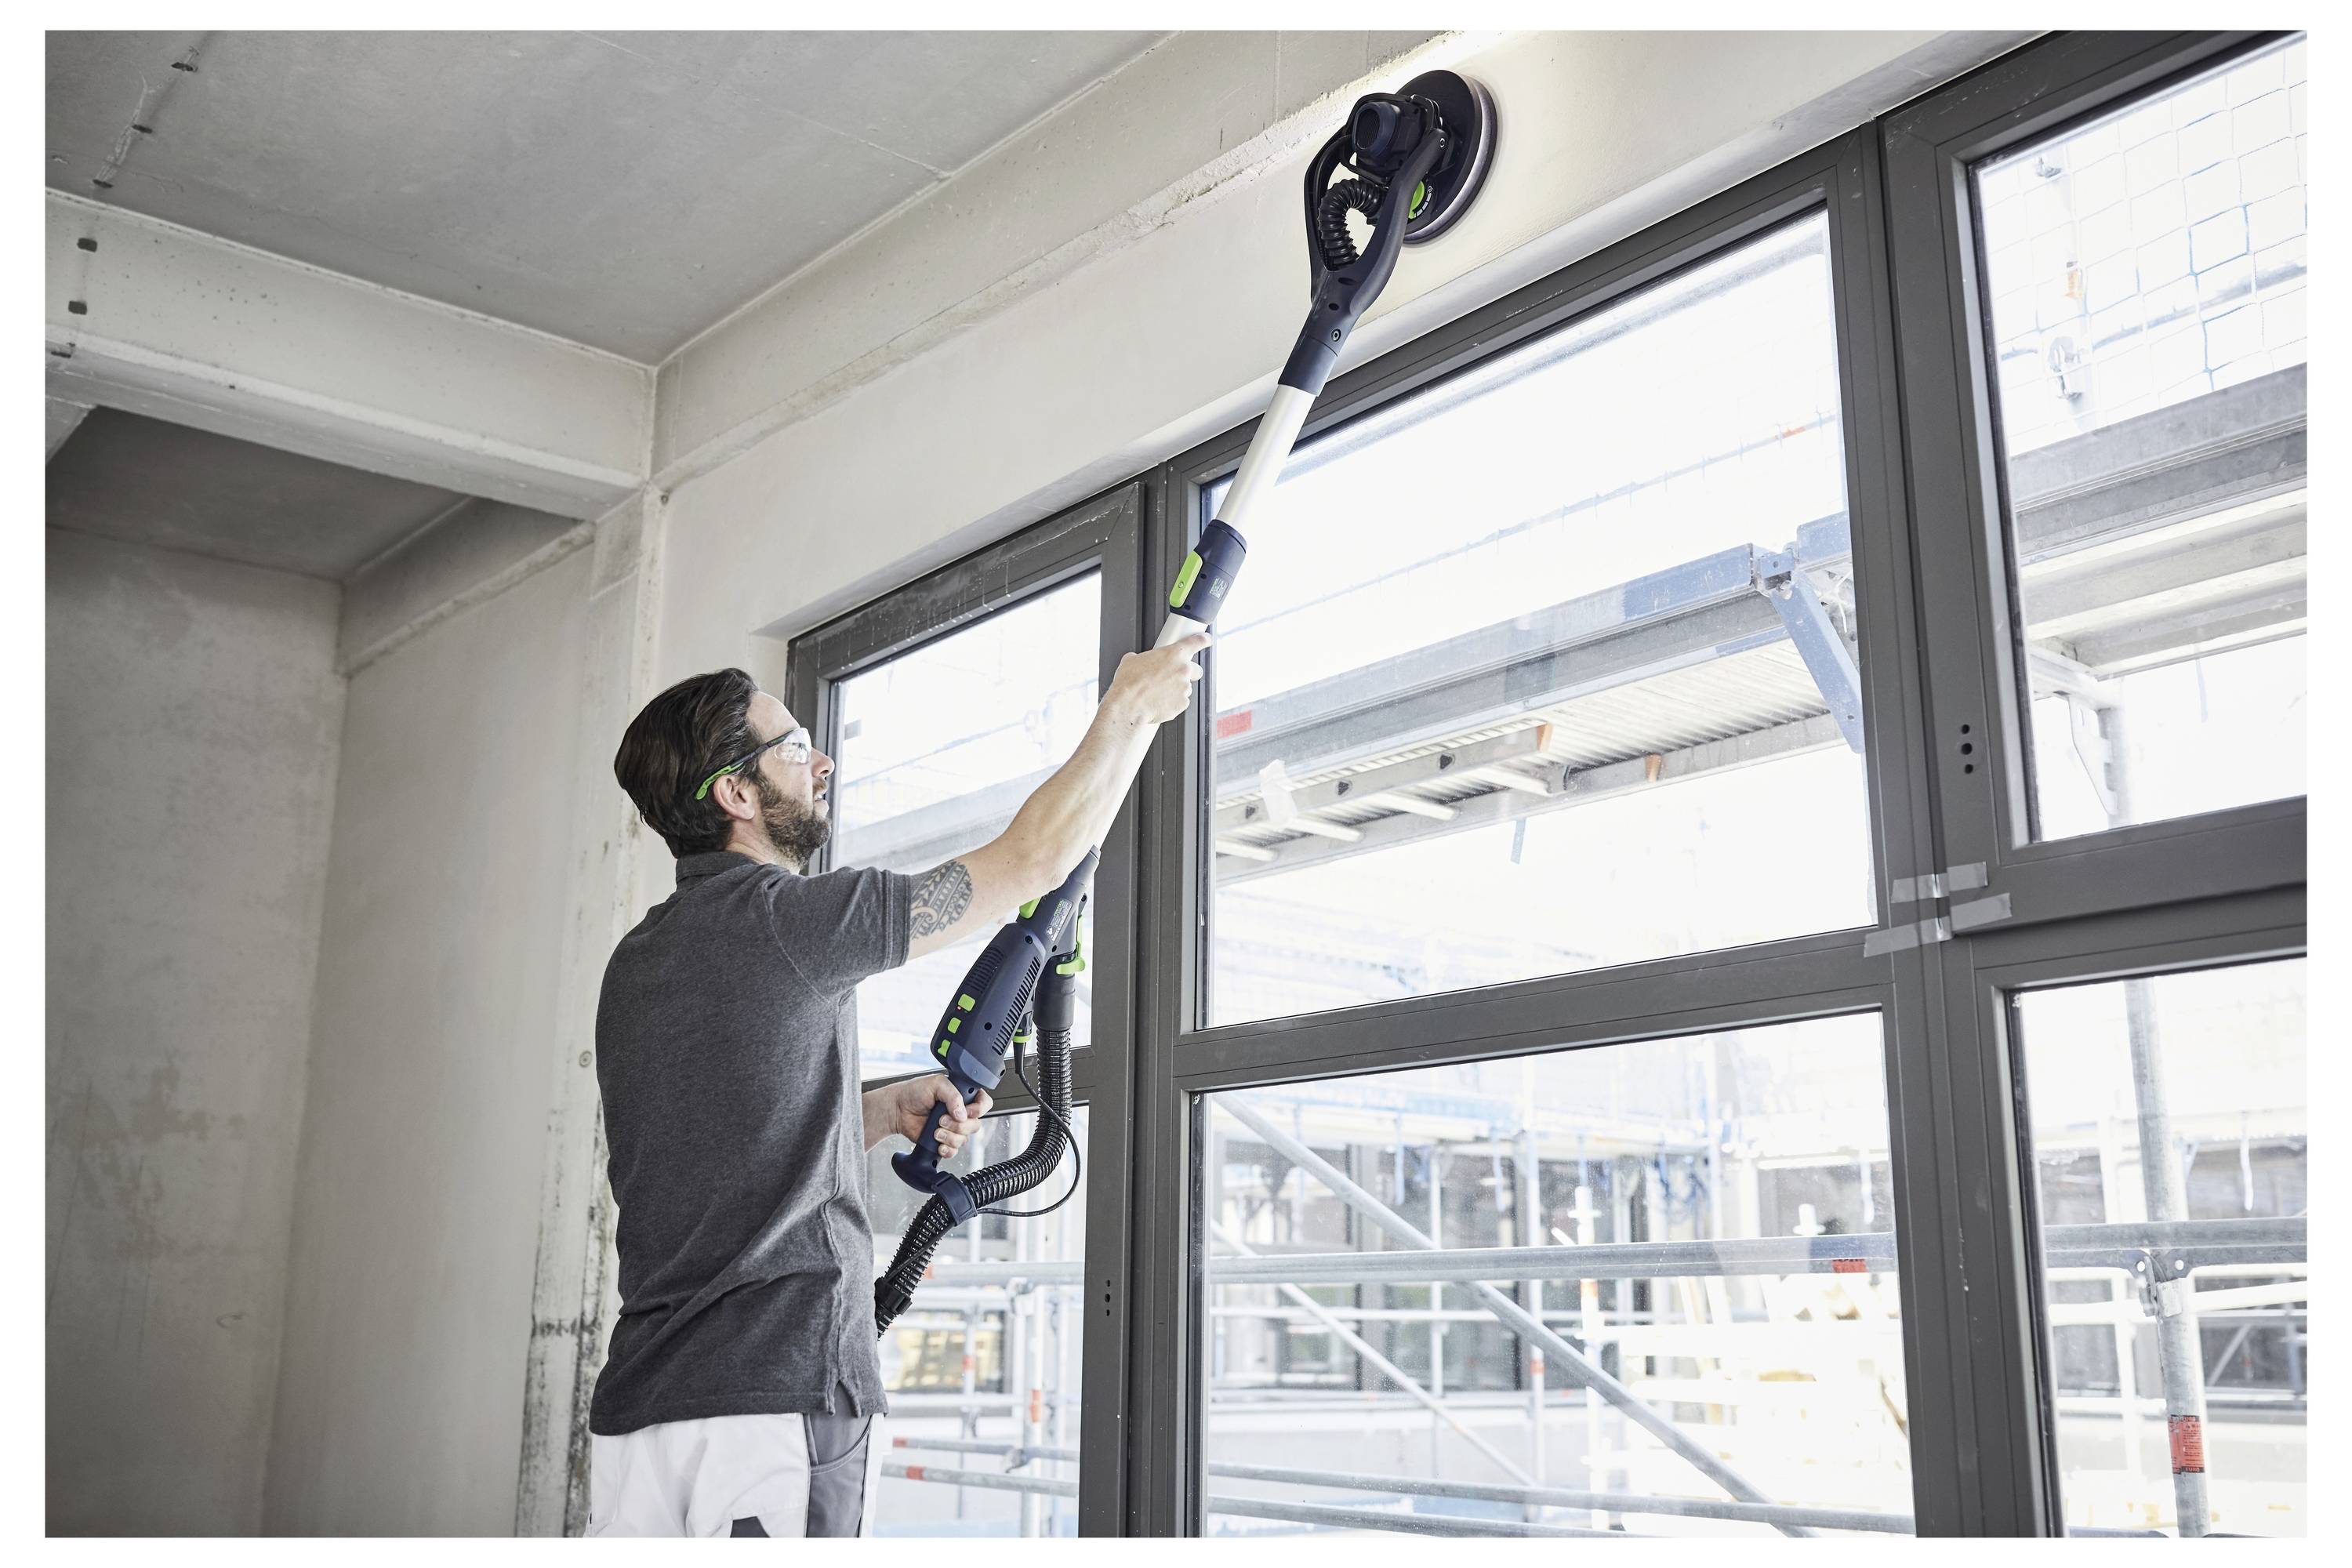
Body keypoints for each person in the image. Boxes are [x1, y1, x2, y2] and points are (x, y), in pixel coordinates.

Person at [585, 632, 1207, 1537]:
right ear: (735, 793)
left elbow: (706, 1139)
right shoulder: (794, 919)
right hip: (772, 1400)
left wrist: (868, 1112)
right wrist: (1129, 711)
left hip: (644, 1410)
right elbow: (1032, 860)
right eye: (794, 748)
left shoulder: (637, 960)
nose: (822, 760)